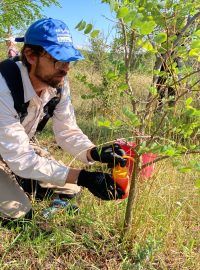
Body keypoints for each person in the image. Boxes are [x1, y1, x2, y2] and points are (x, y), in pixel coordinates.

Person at [0, 18, 126, 222]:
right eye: (59, 60)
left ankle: (21, 181)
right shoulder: (3, 87)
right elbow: (22, 158)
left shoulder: (57, 83)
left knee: (72, 188)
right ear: (31, 56)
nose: (66, 69)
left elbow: (67, 131)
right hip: (12, 152)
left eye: (69, 61)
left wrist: (94, 152)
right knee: (19, 214)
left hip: (15, 149)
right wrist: (83, 176)